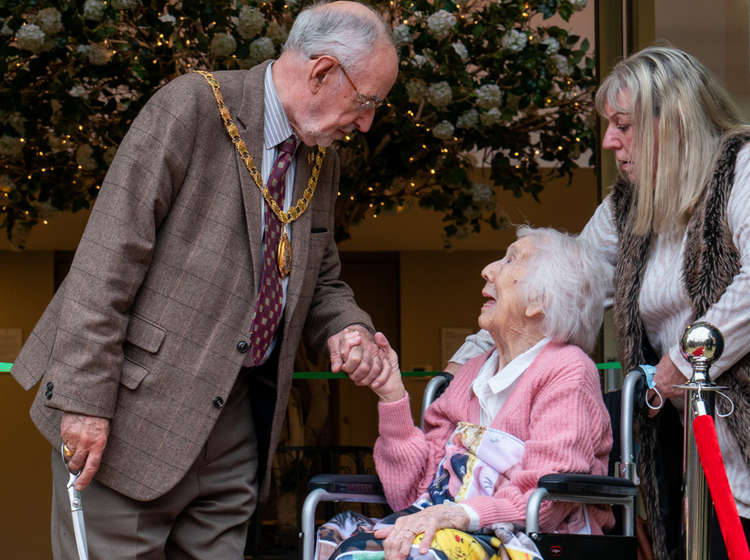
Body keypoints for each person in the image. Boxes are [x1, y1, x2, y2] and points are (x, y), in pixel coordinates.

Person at [10, 2, 398, 558]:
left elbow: (321, 274)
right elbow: (106, 260)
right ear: (321, 71)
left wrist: (348, 329)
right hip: (127, 417)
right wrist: (84, 402)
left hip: (236, 423)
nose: (366, 123)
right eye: (366, 102)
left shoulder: (320, 158)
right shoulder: (193, 105)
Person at [449, 46, 750, 560]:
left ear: (674, 121)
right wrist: (475, 354)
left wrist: (678, 364)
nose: (610, 140)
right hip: (684, 447)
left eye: (623, 125)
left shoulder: (740, 168)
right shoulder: (627, 207)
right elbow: (559, 285)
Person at [315, 227, 614, 560]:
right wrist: (392, 395)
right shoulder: (472, 372)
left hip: (527, 538)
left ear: (540, 301)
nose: (488, 270)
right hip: (450, 528)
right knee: (341, 537)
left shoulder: (568, 371)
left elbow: (546, 500)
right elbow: (410, 495)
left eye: (511, 259)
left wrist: (456, 514)